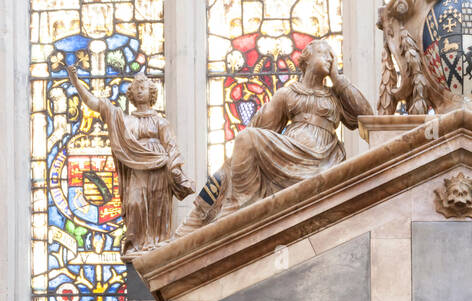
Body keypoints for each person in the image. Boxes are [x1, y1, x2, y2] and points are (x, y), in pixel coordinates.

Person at [174, 38, 371, 233]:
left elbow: (367, 116)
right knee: (245, 139)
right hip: (290, 154)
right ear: (307, 60)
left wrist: (338, 80)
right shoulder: (288, 94)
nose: (330, 59)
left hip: (325, 158)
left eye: (332, 56)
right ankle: (238, 207)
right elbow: (263, 128)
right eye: (324, 54)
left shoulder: (336, 95)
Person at [65, 65, 194, 256]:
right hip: (137, 168)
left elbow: (171, 146)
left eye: (144, 87)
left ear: (151, 93)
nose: (140, 90)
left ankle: (156, 246)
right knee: (134, 203)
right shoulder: (123, 120)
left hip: (159, 169)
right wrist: (76, 81)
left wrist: (176, 169)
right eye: (136, 87)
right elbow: (95, 103)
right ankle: (136, 244)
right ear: (131, 94)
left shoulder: (160, 122)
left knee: (157, 207)